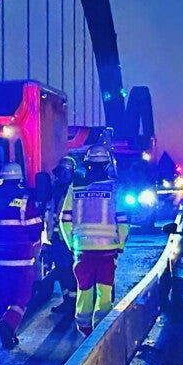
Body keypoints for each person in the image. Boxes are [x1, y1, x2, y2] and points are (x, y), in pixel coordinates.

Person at [58, 142, 131, 336]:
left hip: (82, 249)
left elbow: (64, 220)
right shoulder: (115, 189)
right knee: (104, 290)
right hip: (108, 250)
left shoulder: (74, 189)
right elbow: (123, 220)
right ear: (108, 165)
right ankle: (101, 331)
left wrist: (72, 244)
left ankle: (83, 326)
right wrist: (120, 243)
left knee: (84, 288)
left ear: (87, 164)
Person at [0, 162, 45, 349]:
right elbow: (35, 228)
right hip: (21, 259)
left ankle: (8, 336)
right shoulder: (25, 200)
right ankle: (8, 325)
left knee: (3, 296)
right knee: (21, 296)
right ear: (19, 178)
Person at [44, 154, 78, 307]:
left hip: (71, 237)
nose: (63, 175)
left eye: (67, 172)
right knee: (61, 270)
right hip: (56, 237)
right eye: (61, 172)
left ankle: (74, 302)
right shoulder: (54, 190)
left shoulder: (77, 190)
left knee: (72, 270)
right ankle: (67, 301)